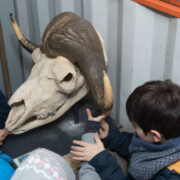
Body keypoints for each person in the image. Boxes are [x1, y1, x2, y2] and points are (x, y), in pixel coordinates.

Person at [71, 80, 180, 180]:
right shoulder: (168, 133)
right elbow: (138, 146)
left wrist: (102, 160)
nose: (134, 130)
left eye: (135, 127)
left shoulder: (169, 175)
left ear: (155, 136)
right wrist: (112, 136)